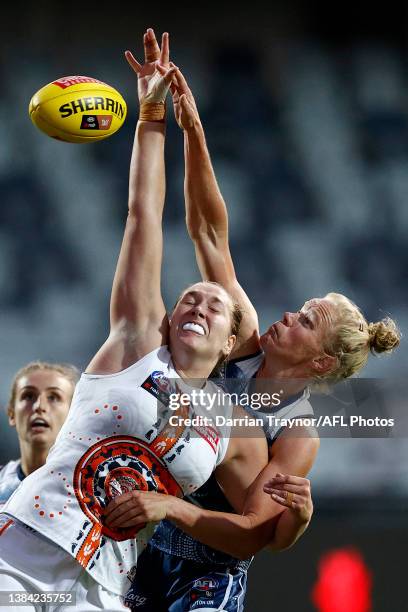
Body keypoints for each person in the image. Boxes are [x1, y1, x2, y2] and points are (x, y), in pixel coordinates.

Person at [0, 30, 275, 612]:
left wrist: (293, 516)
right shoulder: (135, 346)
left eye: (215, 303)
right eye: (188, 300)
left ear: (232, 340)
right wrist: (152, 112)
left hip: (102, 591)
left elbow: (260, 530)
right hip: (20, 557)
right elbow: (143, 214)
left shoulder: (233, 428)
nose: (197, 305)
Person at [108, 66, 401, 611]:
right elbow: (209, 232)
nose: (288, 316)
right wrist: (194, 133)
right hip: (152, 552)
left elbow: (254, 534)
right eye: (301, 309)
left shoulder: (297, 434)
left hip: (209, 578)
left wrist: (285, 525)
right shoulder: (240, 340)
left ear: (320, 365)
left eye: (306, 322)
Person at [0, 361, 78, 510]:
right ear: (11, 414)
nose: (39, 406)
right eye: (28, 396)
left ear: (72, 415)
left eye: (53, 397)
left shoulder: (95, 492)